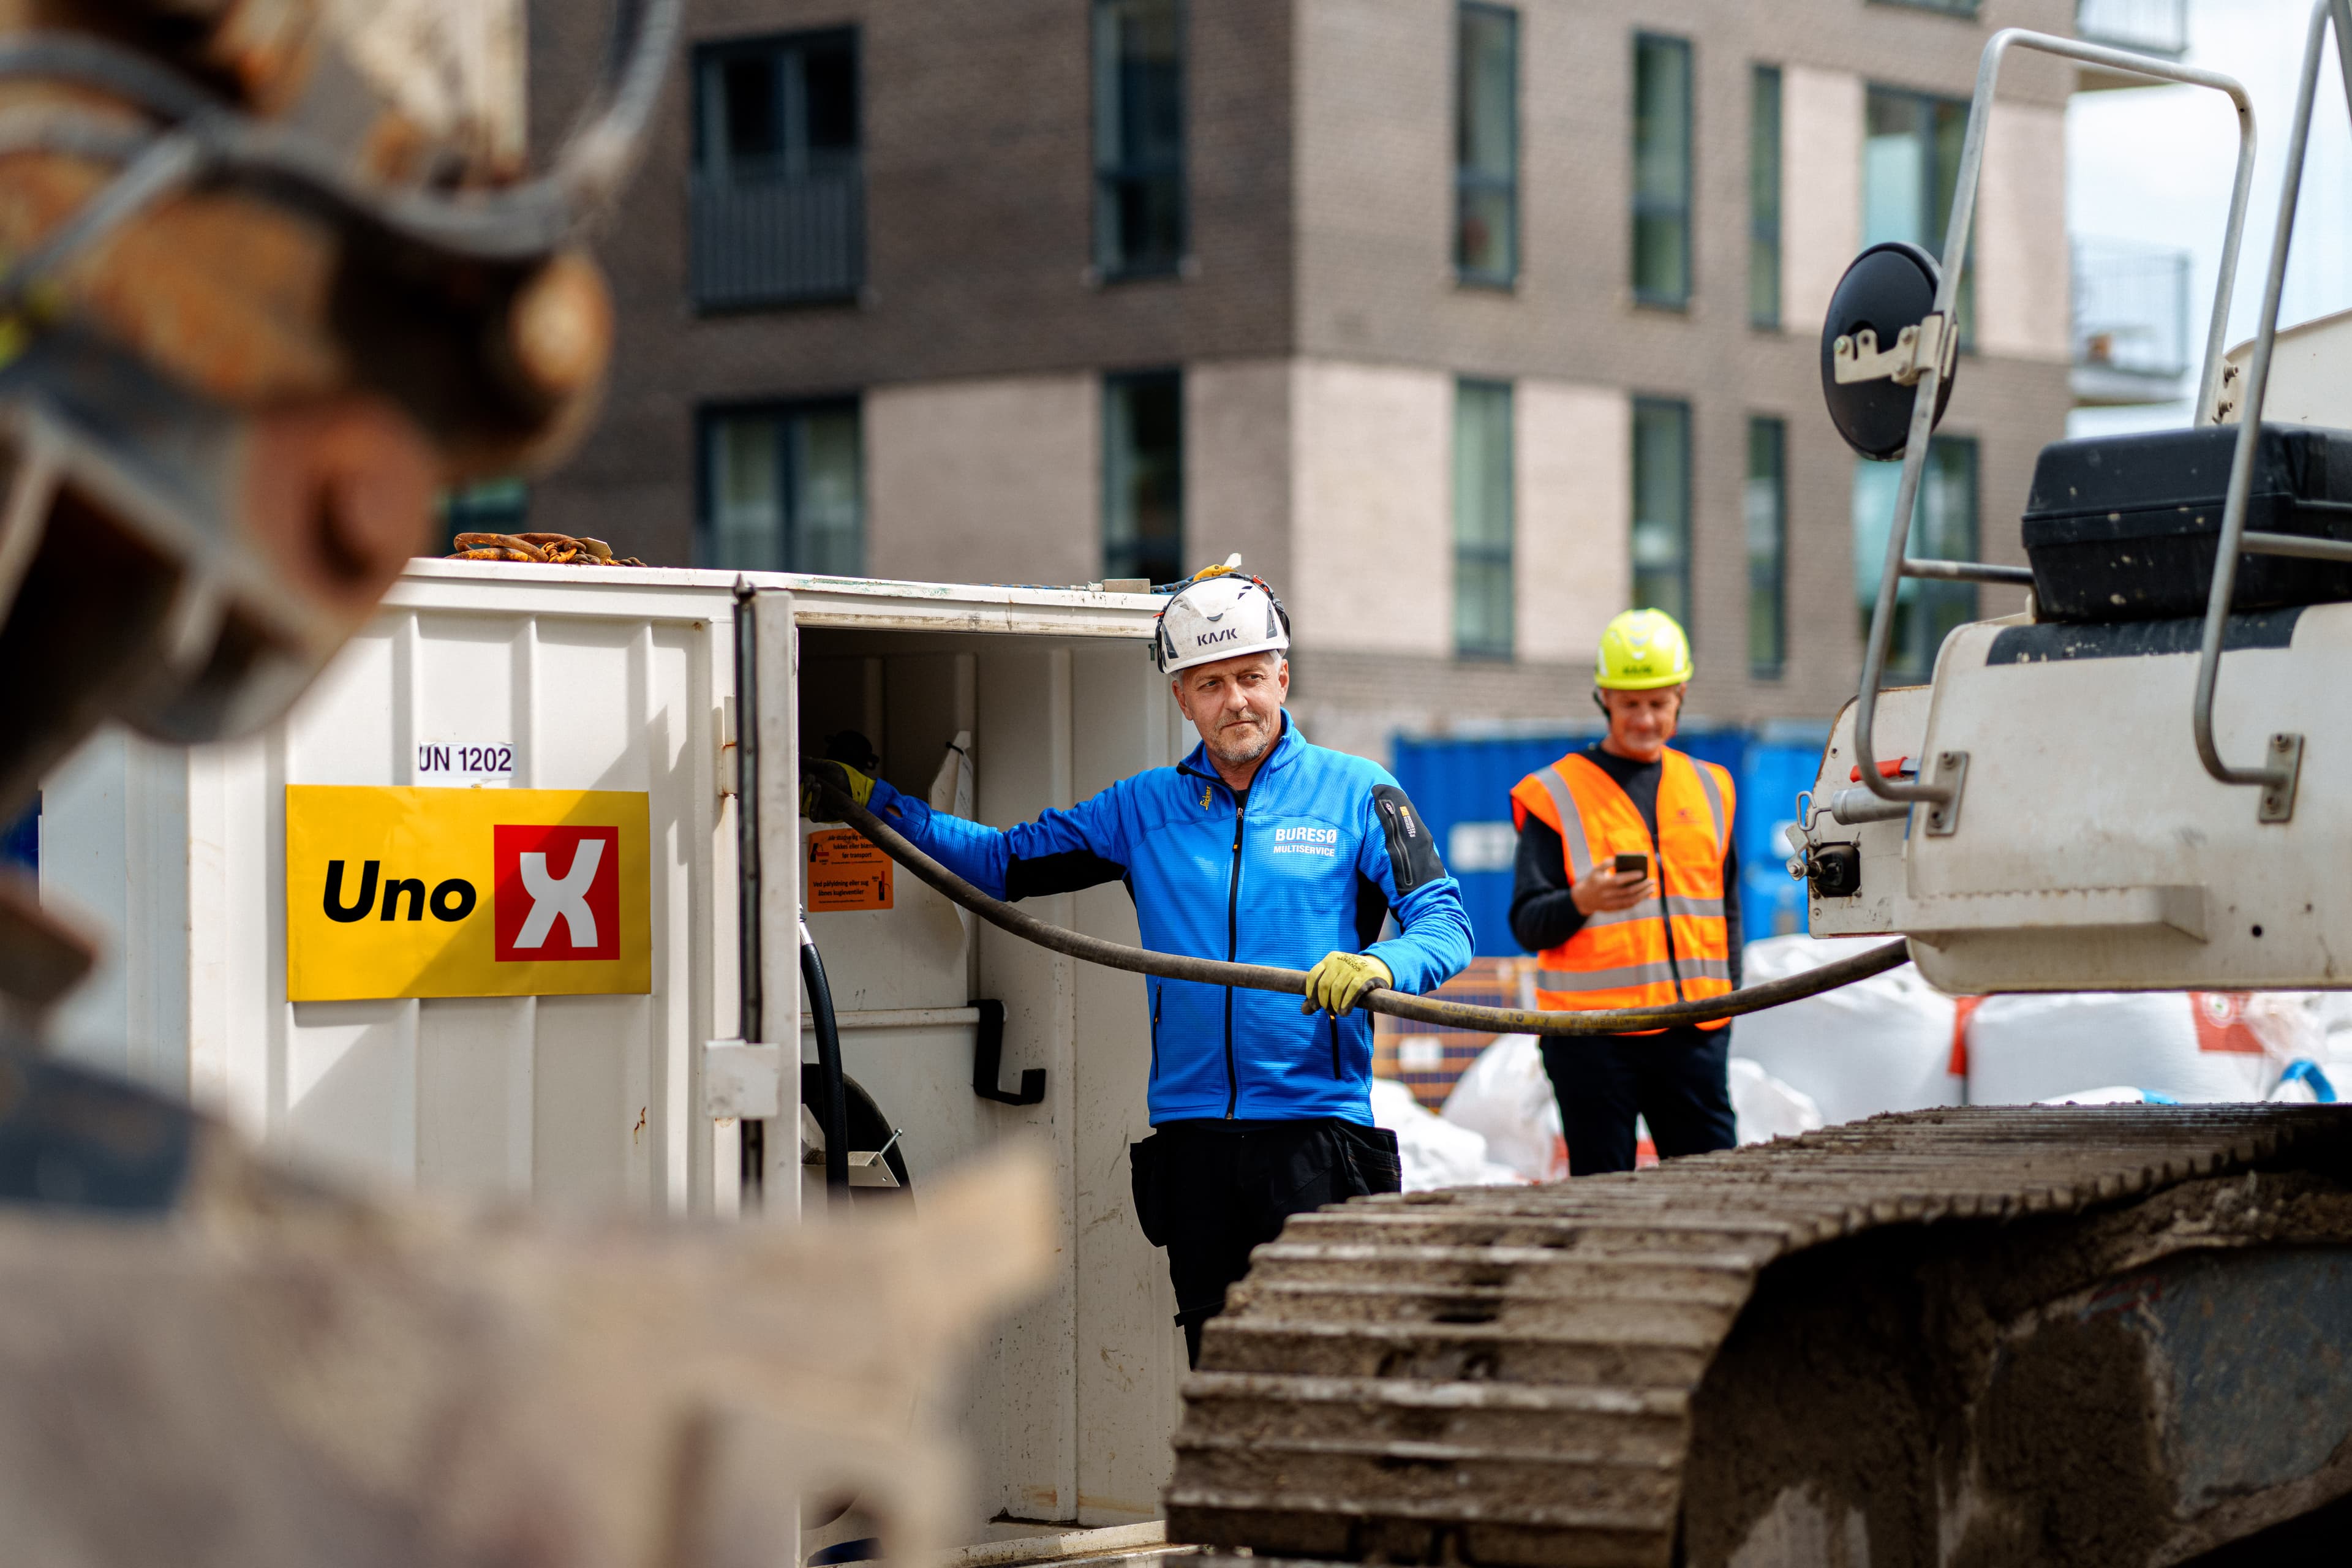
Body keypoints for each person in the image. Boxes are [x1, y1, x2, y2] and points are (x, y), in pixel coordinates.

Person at [802, 563, 1473, 1364]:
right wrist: (875, 804)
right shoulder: (1141, 808)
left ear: (1283, 677)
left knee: (1332, 1364)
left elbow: (1445, 923)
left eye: (1253, 678)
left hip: (1317, 1135)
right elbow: (1002, 863)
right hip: (1194, 1141)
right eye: (1212, 683)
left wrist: (1383, 965)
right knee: (1217, 1368)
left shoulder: (1361, 792)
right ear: (1180, 697)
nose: (1238, 702)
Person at [1508, 608, 1740, 1175]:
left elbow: (1726, 905)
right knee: (1604, 1192)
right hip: (1594, 1038)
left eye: (1658, 703)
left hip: (1695, 1032)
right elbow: (1527, 922)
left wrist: (1729, 994)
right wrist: (1581, 901)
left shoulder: (1712, 786)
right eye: (1630, 703)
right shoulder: (1555, 793)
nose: (1644, 719)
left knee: (1716, 1188)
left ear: (1680, 696)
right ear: (1604, 698)